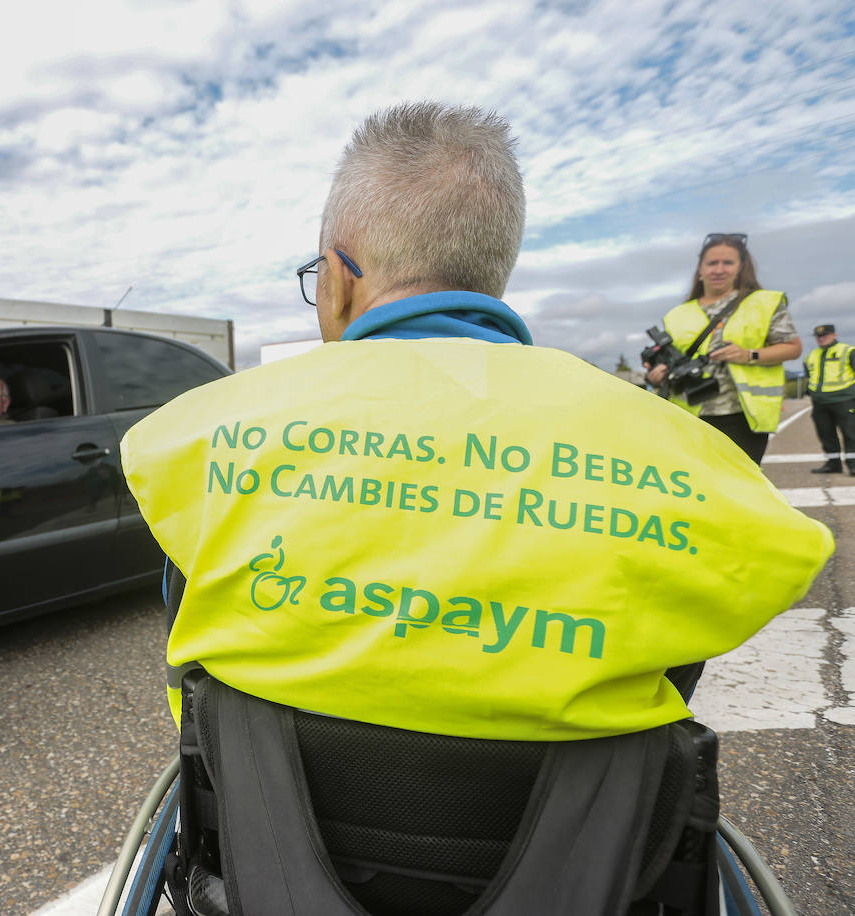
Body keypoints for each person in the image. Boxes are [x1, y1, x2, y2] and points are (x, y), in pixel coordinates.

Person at [120, 103, 831, 748]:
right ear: (493, 272)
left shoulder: (202, 433)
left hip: (266, 843)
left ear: (337, 276)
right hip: (579, 855)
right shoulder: (686, 459)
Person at [645, 234, 800, 464]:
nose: (719, 269)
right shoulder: (676, 315)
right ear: (700, 268)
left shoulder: (764, 303)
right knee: (693, 488)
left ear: (741, 267)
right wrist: (657, 376)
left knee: (739, 488)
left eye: (728, 263)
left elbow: (792, 348)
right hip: (687, 416)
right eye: (712, 263)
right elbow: (666, 361)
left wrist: (748, 355)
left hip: (741, 416)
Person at [804, 324, 855, 474]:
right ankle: (833, 464)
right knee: (826, 434)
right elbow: (810, 376)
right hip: (820, 402)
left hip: (844, 400)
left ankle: (853, 465)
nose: (821, 338)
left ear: (834, 335)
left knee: (851, 433)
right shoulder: (810, 356)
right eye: (818, 336)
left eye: (825, 335)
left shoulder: (848, 351)